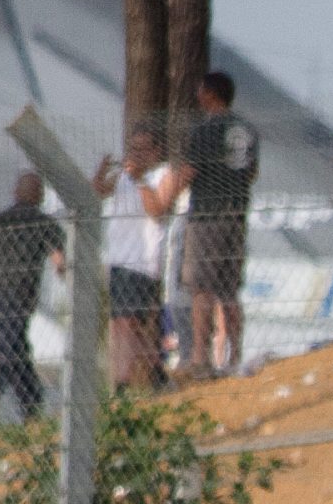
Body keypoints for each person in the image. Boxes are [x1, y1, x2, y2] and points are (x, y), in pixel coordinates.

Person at [169, 70, 257, 377]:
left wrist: (168, 194)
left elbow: (190, 171)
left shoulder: (205, 129)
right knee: (230, 290)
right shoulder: (246, 130)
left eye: (200, 91)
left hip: (206, 215)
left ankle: (199, 358)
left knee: (201, 289)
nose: (197, 96)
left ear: (210, 94)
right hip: (235, 215)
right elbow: (251, 173)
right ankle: (235, 355)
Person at [95, 127, 174, 388]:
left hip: (142, 261)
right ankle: (152, 371)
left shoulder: (162, 175)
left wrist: (140, 180)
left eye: (143, 149)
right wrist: (102, 170)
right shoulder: (123, 176)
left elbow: (158, 211)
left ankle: (123, 381)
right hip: (118, 258)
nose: (137, 155)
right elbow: (98, 190)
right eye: (133, 149)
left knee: (131, 322)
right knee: (120, 323)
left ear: (156, 151)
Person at [0, 172, 64, 422]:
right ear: (38, 195)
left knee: (11, 348)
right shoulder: (43, 222)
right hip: (19, 297)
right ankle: (25, 402)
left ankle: (29, 403)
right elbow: (60, 261)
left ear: (16, 193)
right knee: (11, 350)